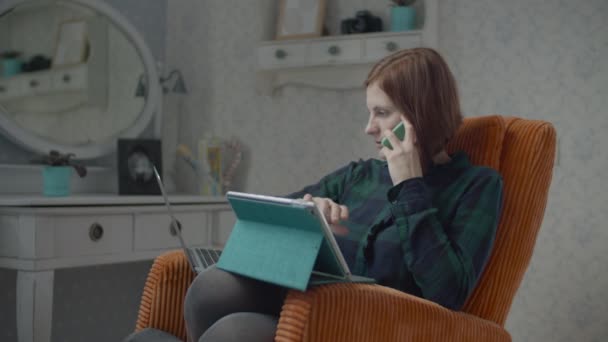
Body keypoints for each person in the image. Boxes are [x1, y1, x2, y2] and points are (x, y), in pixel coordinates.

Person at [183, 47, 503, 342]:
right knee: (209, 288)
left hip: (374, 327)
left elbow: (448, 292)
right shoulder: (360, 175)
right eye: (369, 112)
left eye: (381, 113)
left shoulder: (477, 186)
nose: (369, 128)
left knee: (231, 334)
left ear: (421, 115)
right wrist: (307, 209)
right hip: (310, 305)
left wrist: (409, 186)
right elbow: (273, 217)